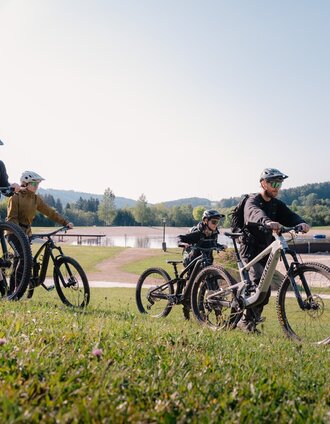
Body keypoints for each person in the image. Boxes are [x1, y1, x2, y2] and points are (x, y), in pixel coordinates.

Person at [237, 167, 310, 333]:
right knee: (258, 284)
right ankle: (245, 321)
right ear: (263, 184)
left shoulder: (277, 205)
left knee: (265, 289)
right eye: (273, 183)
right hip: (250, 249)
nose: (277, 187)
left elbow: (290, 215)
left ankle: (250, 322)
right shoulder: (252, 200)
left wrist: (301, 222)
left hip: (266, 249)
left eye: (280, 183)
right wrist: (266, 221)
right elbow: (253, 213)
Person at [6, 170, 73, 237]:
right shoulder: (15, 197)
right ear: (25, 183)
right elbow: (12, 218)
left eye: (38, 184)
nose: (36, 186)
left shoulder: (35, 198)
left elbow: (50, 212)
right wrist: (20, 234)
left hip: (27, 233)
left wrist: (65, 222)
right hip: (13, 233)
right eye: (34, 184)